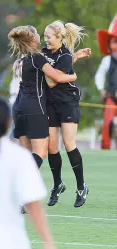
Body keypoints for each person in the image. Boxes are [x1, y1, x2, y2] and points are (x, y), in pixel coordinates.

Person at [0, 96, 57, 249]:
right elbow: (33, 203)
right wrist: (48, 241)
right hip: (11, 243)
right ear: (9, 123)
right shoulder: (18, 156)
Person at [8, 25, 77, 168]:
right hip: (34, 107)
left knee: (25, 154)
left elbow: (58, 66)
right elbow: (57, 76)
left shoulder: (22, 58)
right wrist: (73, 76)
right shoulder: (37, 57)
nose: (42, 36)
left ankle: (16, 187)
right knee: (40, 152)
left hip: (19, 107)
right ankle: (23, 184)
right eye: (37, 34)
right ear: (33, 39)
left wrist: (75, 57)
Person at [42, 20, 90, 208]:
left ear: (59, 37)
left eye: (49, 37)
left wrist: (45, 66)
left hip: (68, 102)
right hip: (50, 104)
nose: (45, 40)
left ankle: (81, 187)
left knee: (69, 144)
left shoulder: (64, 55)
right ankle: (57, 185)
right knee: (52, 147)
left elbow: (52, 82)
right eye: (44, 36)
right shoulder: (45, 53)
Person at [95, 15, 117, 149]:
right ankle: (105, 146)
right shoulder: (107, 60)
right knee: (107, 122)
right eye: (114, 41)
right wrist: (101, 89)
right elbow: (100, 74)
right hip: (111, 96)